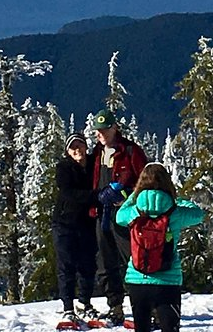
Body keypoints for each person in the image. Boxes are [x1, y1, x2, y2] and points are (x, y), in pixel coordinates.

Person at [116, 162, 204, 332]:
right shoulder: (175, 213)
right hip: (168, 280)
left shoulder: (134, 211)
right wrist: (175, 199)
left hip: (137, 278)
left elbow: (119, 217)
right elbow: (198, 214)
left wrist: (134, 196)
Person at [90, 109, 148, 325]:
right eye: (98, 130)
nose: (100, 134)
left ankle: (143, 307)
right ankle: (115, 307)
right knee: (105, 263)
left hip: (125, 215)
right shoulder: (96, 154)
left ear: (115, 128)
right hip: (101, 215)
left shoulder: (131, 151)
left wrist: (127, 199)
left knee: (133, 260)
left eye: (104, 129)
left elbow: (146, 182)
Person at [51, 132, 100, 326]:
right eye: (73, 147)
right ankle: (68, 307)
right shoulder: (63, 168)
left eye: (80, 145)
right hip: (64, 224)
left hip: (86, 224)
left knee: (88, 265)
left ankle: (85, 303)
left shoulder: (93, 165)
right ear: (68, 151)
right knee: (67, 266)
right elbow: (68, 192)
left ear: (86, 147)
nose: (77, 150)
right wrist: (96, 196)